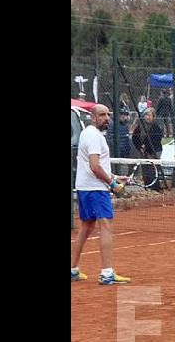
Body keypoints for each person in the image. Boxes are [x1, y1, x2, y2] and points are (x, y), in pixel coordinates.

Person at [71, 104, 133, 285]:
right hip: (95, 189)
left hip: (85, 187)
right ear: (93, 117)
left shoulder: (88, 134)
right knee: (105, 224)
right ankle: (107, 273)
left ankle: (73, 270)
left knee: (86, 228)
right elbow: (95, 166)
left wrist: (114, 176)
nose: (107, 118)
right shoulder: (93, 136)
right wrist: (112, 184)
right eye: (102, 115)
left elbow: (95, 166)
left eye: (108, 115)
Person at [131, 107, 165, 191]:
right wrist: (140, 147)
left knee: (153, 169)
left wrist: (146, 147)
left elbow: (156, 139)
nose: (147, 117)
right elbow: (134, 138)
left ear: (153, 117)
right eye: (146, 115)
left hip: (154, 151)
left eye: (149, 115)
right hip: (143, 151)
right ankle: (147, 186)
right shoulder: (140, 126)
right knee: (145, 169)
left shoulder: (156, 127)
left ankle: (155, 187)